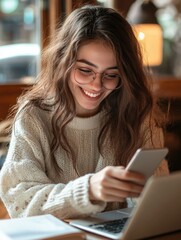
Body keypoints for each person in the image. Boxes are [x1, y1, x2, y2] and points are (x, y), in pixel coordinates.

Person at [0, 5, 169, 219]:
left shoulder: (136, 114)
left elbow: (156, 197)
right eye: (85, 70)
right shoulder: (34, 117)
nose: (96, 85)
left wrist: (141, 193)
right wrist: (88, 191)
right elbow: (19, 202)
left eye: (111, 74)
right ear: (63, 62)